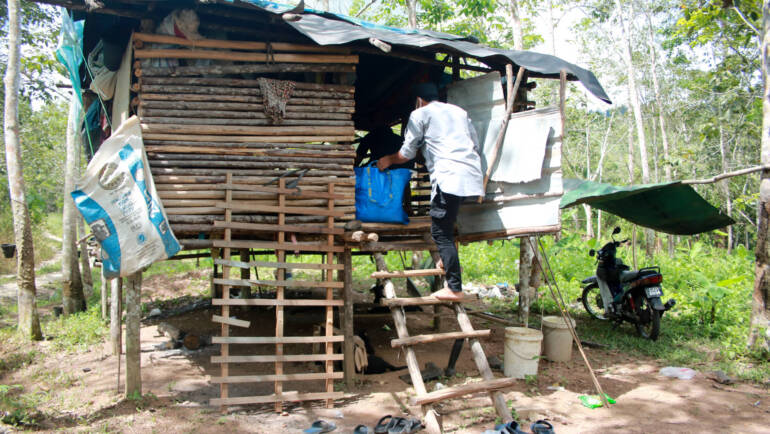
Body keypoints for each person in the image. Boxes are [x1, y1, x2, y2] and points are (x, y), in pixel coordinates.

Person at [377, 83, 483, 301]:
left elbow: (406, 153)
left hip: (448, 176)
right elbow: (475, 144)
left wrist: (388, 159)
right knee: (447, 223)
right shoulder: (459, 112)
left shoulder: (420, 114)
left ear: (419, 99)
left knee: (440, 232)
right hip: (470, 174)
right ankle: (447, 259)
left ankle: (454, 288)